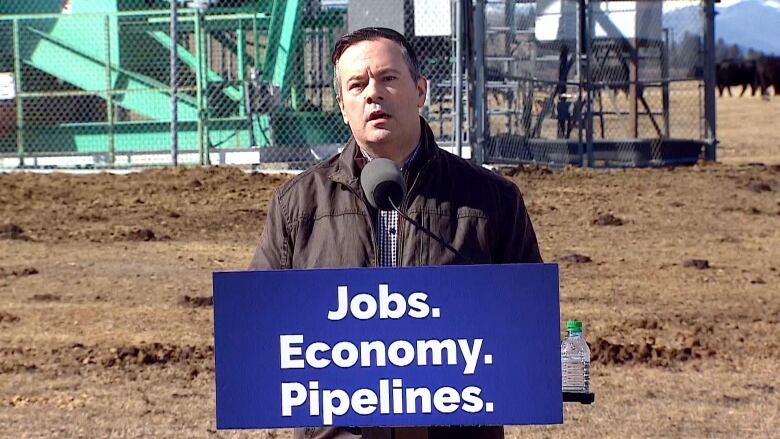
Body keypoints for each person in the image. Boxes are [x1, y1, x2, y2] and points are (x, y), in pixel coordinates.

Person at [250, 27, 542, 439]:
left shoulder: (492, 199)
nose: (373, 93)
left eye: (388, 78)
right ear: (342, 105)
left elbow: (528, 334)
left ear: (420, 91)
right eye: (357, 84)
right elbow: (261, 338)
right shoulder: (297, 206)